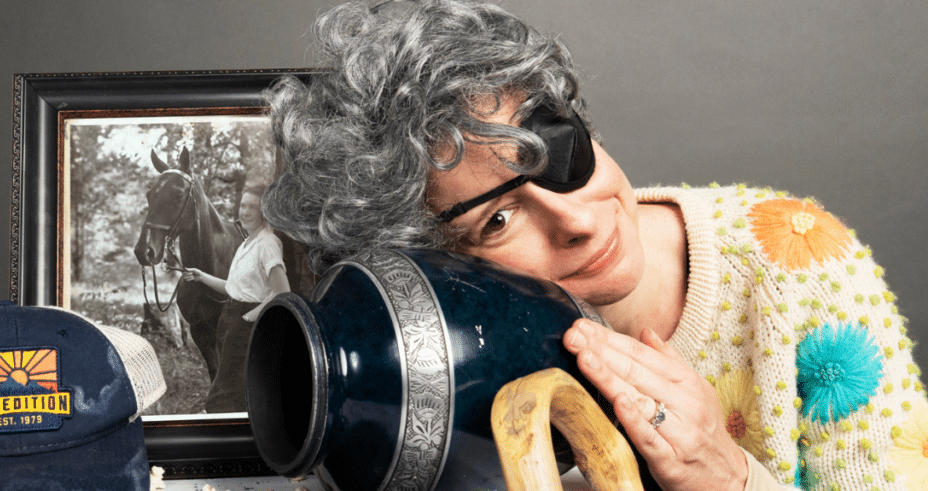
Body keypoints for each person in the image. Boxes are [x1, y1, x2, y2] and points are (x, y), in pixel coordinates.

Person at [260, 0, 926, 490]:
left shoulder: (798, 263)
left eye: (556, 148)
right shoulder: (419, 385)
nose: (576, 219)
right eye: (498, 219)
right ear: (435, 270)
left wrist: (728, 476)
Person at [183, 192, 290, 413]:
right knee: (234, 389)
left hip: (247, 322)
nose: (245, 212)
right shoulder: (246, 244)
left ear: (265, 212)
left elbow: (282, 292)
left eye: (253, 207)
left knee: (224, 395)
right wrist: (201, 276)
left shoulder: (268, 243)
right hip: (230, 318)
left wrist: (248, 318)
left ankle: (219, 426)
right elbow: (233, 288)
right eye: (243, 206)